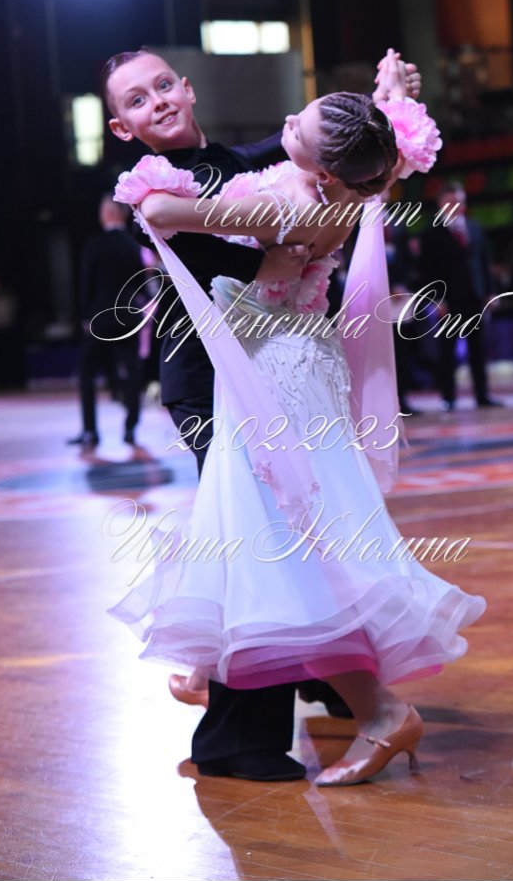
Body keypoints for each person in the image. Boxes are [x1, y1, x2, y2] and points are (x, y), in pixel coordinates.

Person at [107, 64, 486, 787]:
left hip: (266, 369)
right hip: (225, 374)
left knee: (274, 538)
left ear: (188, 87)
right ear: (123, 126)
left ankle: (275, 705)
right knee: (270, 533)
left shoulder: (266, 178)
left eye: (162, 85)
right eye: (137, 99)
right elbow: (351, 158)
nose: (157, 101)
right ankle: (276, 686)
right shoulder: (293, 180)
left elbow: (183, 207)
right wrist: (386, 113)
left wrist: (375, 119)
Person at [68, 193, 146, 448]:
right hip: (128, 316)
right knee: (133, 370)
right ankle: (131, 428)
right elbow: (141, 282)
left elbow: (86, 284)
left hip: (101, 318)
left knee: (86, 372)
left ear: (108, 213)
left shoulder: (95, 244)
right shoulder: (133, 244)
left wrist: (85, 318)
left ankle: (90, 430)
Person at [420, 181, 502, 411]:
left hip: (475, 296)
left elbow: (484, 262)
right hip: (448, 300)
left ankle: (482, 395)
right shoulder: (432, 232)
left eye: (459, 201)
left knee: (478, 349)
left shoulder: (474, 227)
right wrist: (436, 300)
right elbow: (427, 269)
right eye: (451, 202)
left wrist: (490, 292)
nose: (456, 206)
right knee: (447, 350)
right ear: (441, 204)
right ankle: (449, 397)